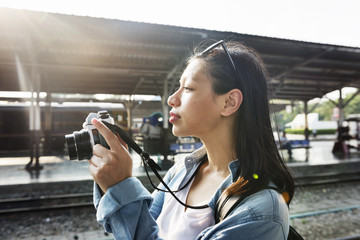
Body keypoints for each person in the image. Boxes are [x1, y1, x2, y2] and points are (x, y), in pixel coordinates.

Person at [88, 40, 295, 239]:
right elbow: (139, 226)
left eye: (187, 88)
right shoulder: (183, 170)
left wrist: (122, 185)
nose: (172, 99)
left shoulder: (260, 212)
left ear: (229, 102)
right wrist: (110, 178)